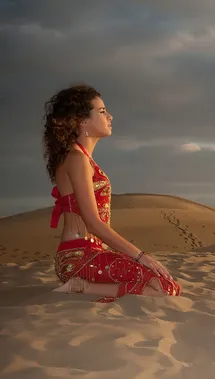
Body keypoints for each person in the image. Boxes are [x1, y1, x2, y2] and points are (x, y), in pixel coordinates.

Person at [43, 84, 181, 303]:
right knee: (164, 286)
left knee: (166, 283)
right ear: (82, 121)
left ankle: (87, 287)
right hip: (79, 258)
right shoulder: (77, 159)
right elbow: (93, 223)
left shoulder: (81, 158)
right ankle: (82, 287)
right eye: (101, 111)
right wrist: (141, 256)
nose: (110, 116)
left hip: (92, 255)